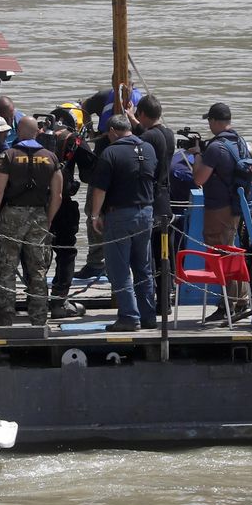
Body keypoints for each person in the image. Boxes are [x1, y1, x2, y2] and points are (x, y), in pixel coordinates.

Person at [0, 116, 62, 327]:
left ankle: (6, 318)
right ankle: (38, 319)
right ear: (38, 132)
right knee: (38, 270)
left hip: (12, 215)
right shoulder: (51, 158)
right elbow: (58, 195)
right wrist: (48, 220)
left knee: (7, 268)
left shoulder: (8, 156)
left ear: (18, 131)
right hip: (39, 215)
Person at [89, 114, 157, 331]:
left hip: (119, 215)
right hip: (146, 212)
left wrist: (94, 215)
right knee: (143, 267)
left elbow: (100, 189)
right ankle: (148, 316)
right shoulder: (149, 149)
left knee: (119, 268)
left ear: (112, 132)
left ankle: (129, 316)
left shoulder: (110, 152)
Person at [74, 82, 142, 279]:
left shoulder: (139, 101)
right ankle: (96, 262)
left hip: (128, 162)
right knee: (93, 211)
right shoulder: (104, 96)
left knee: (121, 212)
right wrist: (91, 132)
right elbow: (82, 107)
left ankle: (122, 262)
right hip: (103, 159)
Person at [192, 102, 251, 321]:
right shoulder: (239, 142)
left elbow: (199, 179)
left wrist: (197, 156)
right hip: (236, 206)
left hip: (219, 208)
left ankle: (228, 304)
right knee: (231, 250)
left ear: (216, 121)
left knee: (220, 253)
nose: (209, 124)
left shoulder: (216, 148)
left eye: (209, 120)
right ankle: (240, 300)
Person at [126, 94, 175, 312]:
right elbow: (149, 135)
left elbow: (140, 144)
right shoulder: (167, 133)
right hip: (166, 197)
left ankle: (152, 302)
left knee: (150, 252)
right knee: (165, 251)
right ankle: (166, 300)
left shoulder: (148, 139)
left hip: (151, 199)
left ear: (143, 114)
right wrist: (135, 122)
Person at [47, 106, 96, 318]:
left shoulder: (38, 136)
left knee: (35, 253)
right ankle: (59, 302)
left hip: (33, 205)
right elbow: (89, 174)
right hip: (62, 203)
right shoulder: (73, 140)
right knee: (66, 252)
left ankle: (34, 300)